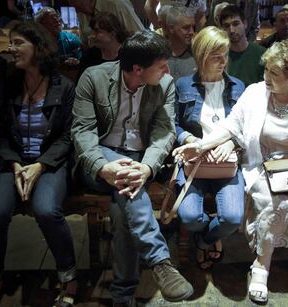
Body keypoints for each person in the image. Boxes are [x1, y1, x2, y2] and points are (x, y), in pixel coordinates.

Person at [173, 40, 288, 305]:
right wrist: (200, 145)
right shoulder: (255, 92)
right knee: (271, 202)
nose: (266, 77)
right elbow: (230, 126)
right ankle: (261, 267)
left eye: (274, 73)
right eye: (266, 70)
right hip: (262, 163)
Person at [71, 30, 193, 306]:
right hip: (99, 157)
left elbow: (164, 132)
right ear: (138, 69)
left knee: (123, 208)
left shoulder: (164, 85)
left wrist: (147, 168)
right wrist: (103, 167)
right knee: (128, 189)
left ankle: (122, 295)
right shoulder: (94, 78)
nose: (167, 71)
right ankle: (160, 260)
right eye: (161, 66)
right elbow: (83, 133)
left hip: (139, 157)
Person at [0, 22, 77, 307]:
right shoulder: (7, 84)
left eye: (18, 42)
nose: (11, 48)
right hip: (15, 161)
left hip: (50, 161)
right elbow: (1, 132)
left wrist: (41, 165)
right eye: (10, 42)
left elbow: (69, 136)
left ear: (37, 47)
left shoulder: (63, 87)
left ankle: (68, 275)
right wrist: (16, 163)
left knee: (46, 209)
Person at [175, 26, 245, 270]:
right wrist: (187, 139)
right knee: (189, 216)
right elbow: (170, 124)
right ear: (201, 56)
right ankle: (207, 235)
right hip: (195, 161)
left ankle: (204, 241)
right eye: (216, 55)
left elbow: (247, 126)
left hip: (227, 161)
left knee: (233, 218)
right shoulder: (183, 85)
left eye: (225, 54)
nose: (222, 61)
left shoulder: (238, 86)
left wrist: (232, 142)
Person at [219, 4, 265, 87]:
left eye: (235, 24)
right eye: (226, 26)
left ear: (245, 24)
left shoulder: (263, 54)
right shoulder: (220, 57)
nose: (232, 30)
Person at [68, 0, 144, 48]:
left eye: (74, 1)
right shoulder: (80, 10)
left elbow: (141, 37)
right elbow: (84, 42)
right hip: (95, 60)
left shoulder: (116, 4)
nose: (71, 4)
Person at [78, 12, 128, 78]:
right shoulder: (89, 56)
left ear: (112, 34)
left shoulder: (127, 55)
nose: (92, 36)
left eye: (97, 31)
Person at [165, 5, 196, 81]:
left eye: (193, 27)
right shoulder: (158, 55)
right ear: (171, 28)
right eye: (186, 28)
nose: (192, 32)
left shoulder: (198, 55)